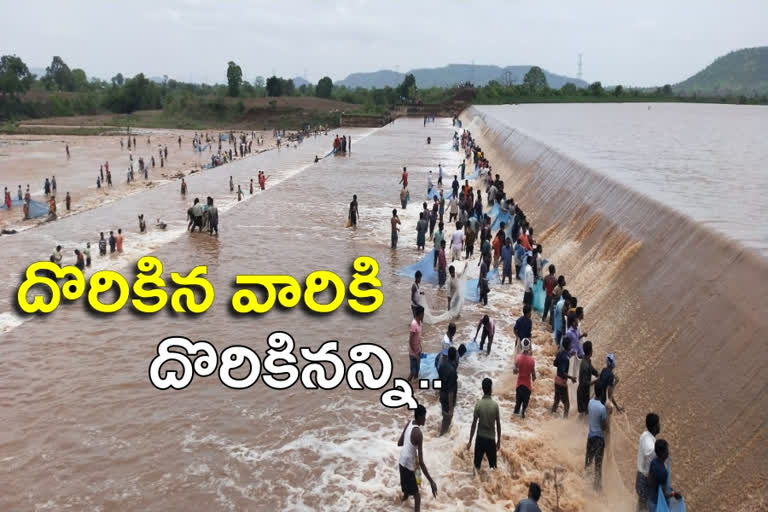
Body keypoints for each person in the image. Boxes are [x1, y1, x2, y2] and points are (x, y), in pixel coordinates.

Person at [397, 404, 438, 512]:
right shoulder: (418, 433)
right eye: (424, 417)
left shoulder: (409, 423)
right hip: (409, 465)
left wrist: (409, 445)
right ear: (419, 417)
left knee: (406, 489)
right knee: (417, 496)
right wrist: (431, 481)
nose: (425, 419)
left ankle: (402, 503)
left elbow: (399, 443)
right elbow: (421, 462)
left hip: (402, 461)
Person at [466, 377, 501, 474]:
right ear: (491, 389)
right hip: (491, 440)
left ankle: (475, 484)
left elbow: (473, 425)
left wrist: (470, 441)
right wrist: (498, 441)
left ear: (482, 389)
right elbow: (498, 425)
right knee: (493, 468)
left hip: (480, 439)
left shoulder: (478, 404)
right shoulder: (495, 405)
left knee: (476, 467)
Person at [647, 440, 683, 511]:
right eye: (667, 450)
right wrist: (674, 494)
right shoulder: (663, 472)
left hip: (650, 498)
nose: (668, 452)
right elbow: (663, 496)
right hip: (656, 503)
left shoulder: (653, 462)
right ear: (663, 453)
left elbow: (652, 480)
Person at [636, 413, 661, 510]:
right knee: (645, 507)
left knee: (641, 504)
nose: (660, 426)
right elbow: (650, 467)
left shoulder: (644, 435)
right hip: (645, 479)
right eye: (659, 424)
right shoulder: (652, 448)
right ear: (655, 428)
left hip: (640, 476)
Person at [552, 337, 576, 418]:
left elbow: (555, 363)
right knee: (567, 404)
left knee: (556, 401)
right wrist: (571, 377)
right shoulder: (566, 358)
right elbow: (563, 372)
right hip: (562, 383)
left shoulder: (560, 353)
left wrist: (569, 355)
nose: (572, 345)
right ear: (568, 345)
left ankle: (551, 415)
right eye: (571, 344)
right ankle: (565, 420)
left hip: (556, 380)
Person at [513, 338, 536, 418]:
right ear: (529, 347)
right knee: (524, 408)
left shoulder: (518, 358)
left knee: (517, 406)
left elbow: (514, 372)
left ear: (522, 346)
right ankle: (522, 417)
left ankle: (514, 424)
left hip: (519, 385)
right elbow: (534, 376)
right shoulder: (532, 360)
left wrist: (517, 369)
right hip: (527, 387)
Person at [438, 347, 458, 435]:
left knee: (445, 416)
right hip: (447, 398)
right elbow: (451, 392)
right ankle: (442, 436)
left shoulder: (442, 365)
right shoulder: (452, 371)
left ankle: (443, 433)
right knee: (447, 419)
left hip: (442, 395)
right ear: (454, 357)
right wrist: (451, 409)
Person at [577, 341, 600, 417]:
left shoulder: (587, 361)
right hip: (582, 394)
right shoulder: (585, 365)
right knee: (583, 415)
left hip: (585, 393)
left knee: (586, 414)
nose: (593, 351)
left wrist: (598, 374)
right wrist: (596, 380)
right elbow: (585, 383)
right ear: (590, 351)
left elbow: (592, 370)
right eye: (592, 349)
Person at [408, 306, 424, 384]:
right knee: (413, 372)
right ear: (420, 314)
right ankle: (407, 383)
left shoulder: (419, 323)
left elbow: (418, 338)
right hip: (413, 352)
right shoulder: (414, 324)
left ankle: (415, 388)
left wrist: (420, 348)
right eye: (423, 314)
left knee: (417, 370)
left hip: (418, 350)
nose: (423, 316)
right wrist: (415, 353)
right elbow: (410, 340)